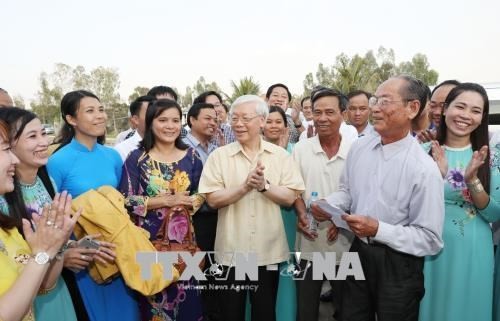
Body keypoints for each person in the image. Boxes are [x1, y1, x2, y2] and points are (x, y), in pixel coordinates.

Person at [312, 75, 444, 321]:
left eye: (384, 101)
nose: (374, 108)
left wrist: (378, 229)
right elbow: (347, 191)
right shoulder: (361, 148)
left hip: (399, 263)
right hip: (358, 252)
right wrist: (329, 205)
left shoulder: (424, 169)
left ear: (412, 108)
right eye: (375, 99)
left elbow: (430, 239)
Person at [199, 95, 305, 321]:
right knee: (231, 313)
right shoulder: (219, 157)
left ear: (262, 121)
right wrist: (245, 186)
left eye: (245, 118)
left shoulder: (280, 156)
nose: (238, 123)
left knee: (265, 312)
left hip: (267, 252)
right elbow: (212, 200)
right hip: (230, 252)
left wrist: (264, 186)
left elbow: (290, 197)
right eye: (234, 118)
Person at [47, 90, 139, 321]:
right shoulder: (57, 161)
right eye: (90, 111)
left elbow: (119, 200)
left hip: (119, 251)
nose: (100, 116)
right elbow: (51, 213)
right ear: (71, 119)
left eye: (101, 109)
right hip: (86, 260)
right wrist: (69, 250)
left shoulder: (112, 156)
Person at [419, 83, 500, 321]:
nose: (466, 115)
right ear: (445, 110)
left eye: (475, 110)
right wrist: (436, 177)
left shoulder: (490, 157)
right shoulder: (423, 152)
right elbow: (406, 208)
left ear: (482, 117)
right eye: (460, 107)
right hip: (429, 250)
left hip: (474, 250)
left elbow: (494, 214)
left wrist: (472, 179)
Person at [119, 99, 204, 321]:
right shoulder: (137, 159)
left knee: (189, 302)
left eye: (175, 120)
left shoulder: (192, 158)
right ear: (151, 122)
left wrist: (192, 202)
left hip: (185, 244)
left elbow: (200, 196)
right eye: (163, 120)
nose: (170, 126)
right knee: (155, 303)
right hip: (150, 244)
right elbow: (125, 200)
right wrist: (165, 201)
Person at [0, 107, 81, 321]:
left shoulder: (47, 180)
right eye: (32, 136)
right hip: (25, 296)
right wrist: (54, 250)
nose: (44, 142)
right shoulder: (4, 198)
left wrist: (67, 244)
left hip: (52, 287)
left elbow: (46, 254)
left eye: (43, 133)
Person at [293, 88, 355, 321]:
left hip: (346, 244)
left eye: (330, 112)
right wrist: (301, 213)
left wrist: (341, 221)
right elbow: (294, 189)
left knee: (348, 308)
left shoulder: (356, 150)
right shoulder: (301, 149)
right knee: (306, 309)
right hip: (308, 243)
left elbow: (360, 194)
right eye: (317, 112)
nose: (322, 118)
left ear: (343, 114)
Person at [261, 106, 296, 320]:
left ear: (285, 125)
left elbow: (294, 186)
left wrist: (283, 152)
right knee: (263, 272)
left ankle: (286, 314)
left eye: (278, 121)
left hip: (288, 216)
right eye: (269, 121)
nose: (273, 126)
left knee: (286, 268)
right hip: (263, 216)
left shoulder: (295, 149)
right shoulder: (255, 150)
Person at [115, 95, 154, 161]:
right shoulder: (121, 151)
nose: (156, 119)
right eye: (150, 114)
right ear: (135, 120)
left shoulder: (171, 146)